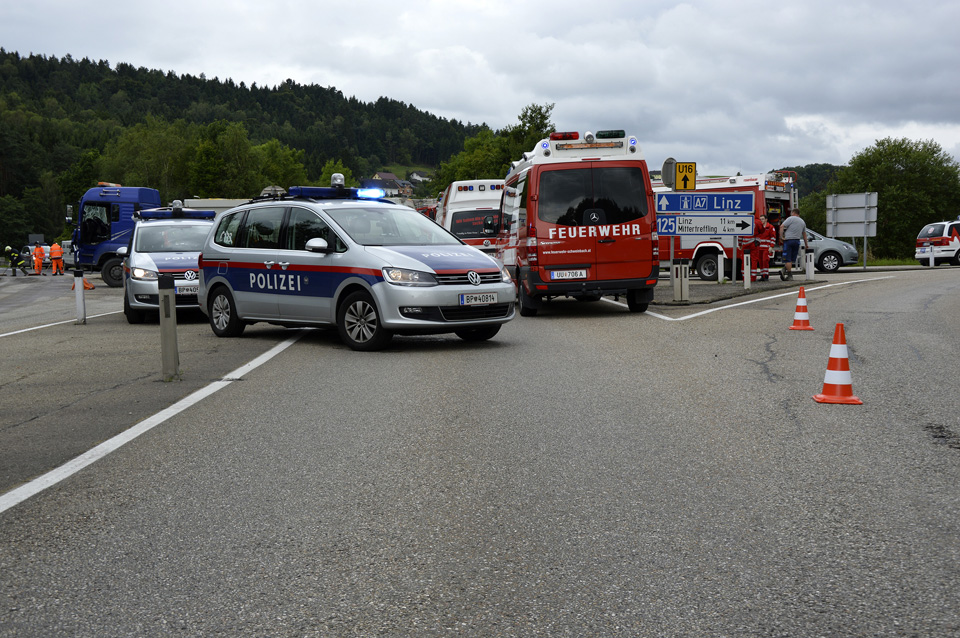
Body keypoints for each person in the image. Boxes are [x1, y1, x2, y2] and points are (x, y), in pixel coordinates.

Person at [779, 208, 809, 281]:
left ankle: (789, 275)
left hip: (788, 240)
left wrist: (781, 236)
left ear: (793, 213)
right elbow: (804, 234)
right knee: (792, 258)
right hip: (797, 241)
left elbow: (781, 226)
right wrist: (806, 244)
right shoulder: (802, 222)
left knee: (787, 259)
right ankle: (783, 270)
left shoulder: (791, 218)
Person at [755, 214, 777, 281]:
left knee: (765, 261)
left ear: (766, 219)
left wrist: (771, 246)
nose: (761, 220)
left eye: (763, 219)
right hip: (759, 248)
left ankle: (766, 275)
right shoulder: (759, 227)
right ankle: (762, 275)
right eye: (760, 219)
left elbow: (773, 237)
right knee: (760, 262)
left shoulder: (770, 227)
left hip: (766, 248)